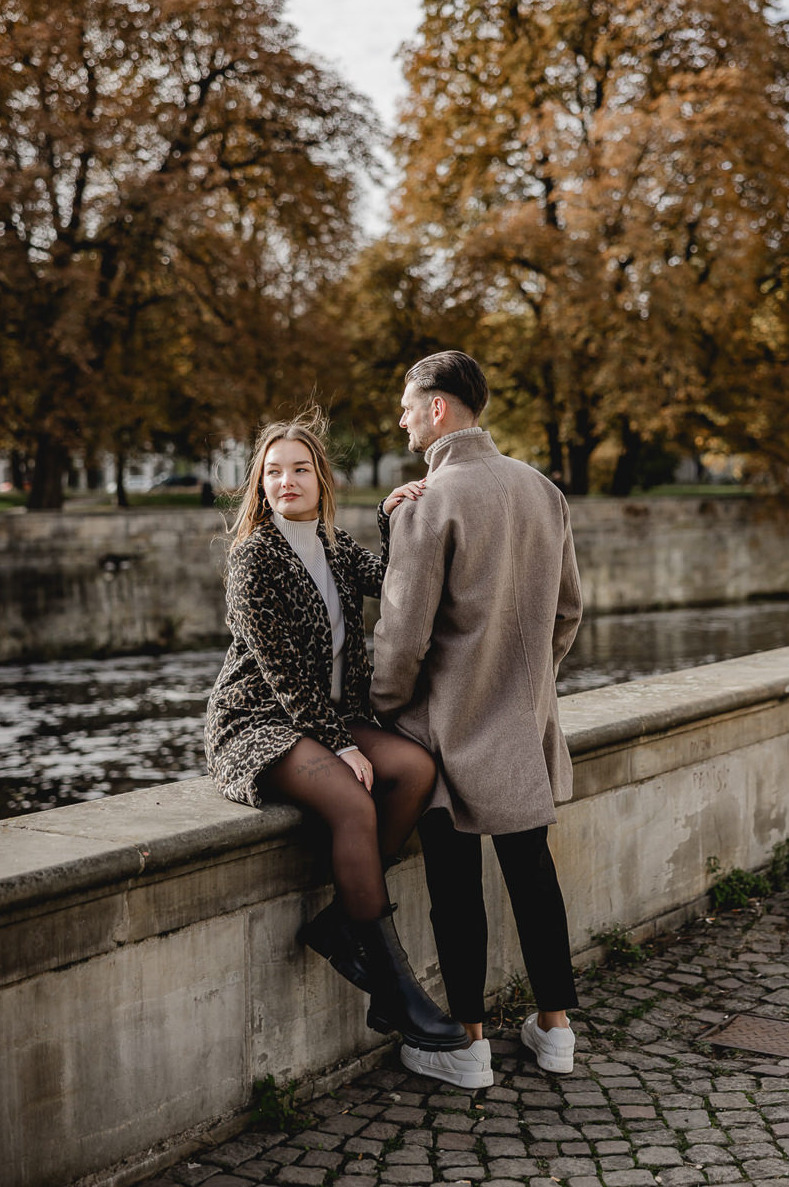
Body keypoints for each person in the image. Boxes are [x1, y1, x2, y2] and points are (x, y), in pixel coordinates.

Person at [205, 412, 468, 1054]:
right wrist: (341, 744)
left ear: (321, 480)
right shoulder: (254, 559)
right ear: (259, 485)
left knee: (415, 769)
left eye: (300, 469)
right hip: (260, 721)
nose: (286, 481)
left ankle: (343, 923)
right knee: (353, 802)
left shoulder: (334, 545)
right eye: (273, 472)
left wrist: (392, 516)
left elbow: (395, 585)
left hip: (331, 717)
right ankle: (395, 989)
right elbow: (282, 674)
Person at [370, 351, 582, 1090]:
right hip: (522, 718)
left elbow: (402, 638)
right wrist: (528, 685)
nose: (401, 421)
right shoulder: (542, 488)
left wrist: (386, 709)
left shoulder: (431, 500)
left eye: (407, 406)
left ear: (438, 408)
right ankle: (556, 1029)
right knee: (533, 873)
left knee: (455, 885)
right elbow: (568, 611)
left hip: (446, 725)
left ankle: (468, 1045)